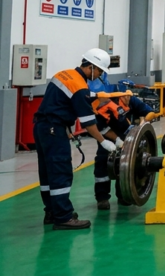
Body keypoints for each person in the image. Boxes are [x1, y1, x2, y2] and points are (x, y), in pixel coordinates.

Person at [34, 48, 118, 230]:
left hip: (42, 127)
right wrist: (103, 141)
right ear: (92, 67)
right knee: (60, 172)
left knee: (47, 172)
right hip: (54, 130)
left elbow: (57, 103)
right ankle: (63, 217)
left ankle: (52, 212)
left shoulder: (63, 74)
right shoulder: (80, 87)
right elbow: (89, 123)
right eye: (100, 71)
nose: (100, 75)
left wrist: (65, 126)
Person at [89, 76, 157, 209]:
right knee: (103, 164)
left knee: (125, 165)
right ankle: (102, 198)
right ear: (120, 95)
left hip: (127, 138)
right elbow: (101, 128)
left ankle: (123, 196)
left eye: (129, 95)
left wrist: (143, 125)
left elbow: (150, 112)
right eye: (126, 96)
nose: (128, 98)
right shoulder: (105, 104)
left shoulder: (131, 100)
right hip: (107, 137)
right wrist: (116, 140)